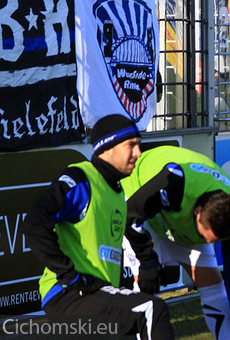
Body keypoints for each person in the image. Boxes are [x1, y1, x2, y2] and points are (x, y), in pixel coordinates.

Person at [24, 114, 174, 339]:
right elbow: (35, 222)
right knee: (151, 310)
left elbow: (130, 228)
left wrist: (148, 261)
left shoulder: (116, 190)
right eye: (131, 145)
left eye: (139, 146)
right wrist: (69, 274)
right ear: (108, 147)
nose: (138, 153)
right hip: (70, 294)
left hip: (94, 292)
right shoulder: (81, 179)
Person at [122, 145, 230, 340]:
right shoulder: (173, 184)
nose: (208, 242)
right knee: (146, 284)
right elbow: (129, 217)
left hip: (178, 214)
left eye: (214, 240)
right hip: (138, 201)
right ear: (198, 213)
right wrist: (147, 260)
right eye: (207, 237)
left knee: (212, 282)